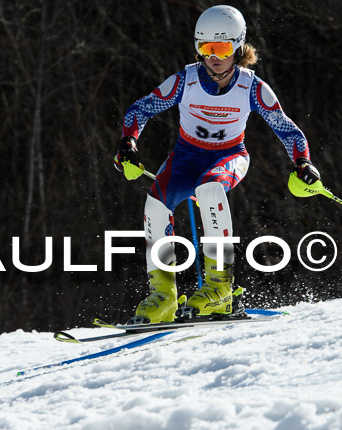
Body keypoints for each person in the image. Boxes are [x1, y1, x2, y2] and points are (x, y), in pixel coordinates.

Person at [115, 5, 321, 324]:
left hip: (229, 156)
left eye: (222, 48)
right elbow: (141, 109)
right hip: (186, 156)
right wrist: (129, 141)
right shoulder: (186, 80)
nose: (213, 56)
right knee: (156, 202)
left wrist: (303, 162)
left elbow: (286, 128)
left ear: (237, 48)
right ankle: (163, 295)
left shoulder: (251, 87)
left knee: (210, 190)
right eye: (205, 47)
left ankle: (220, 289)